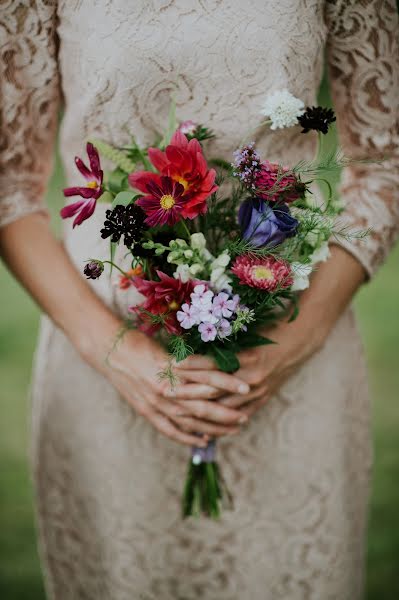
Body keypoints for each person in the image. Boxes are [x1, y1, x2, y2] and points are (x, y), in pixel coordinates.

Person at [0, 2, 398, 598]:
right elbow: (9, 186)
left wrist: (292, 345)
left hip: (292, 353)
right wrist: (119, 356)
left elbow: (384, 163)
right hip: (107, 367)